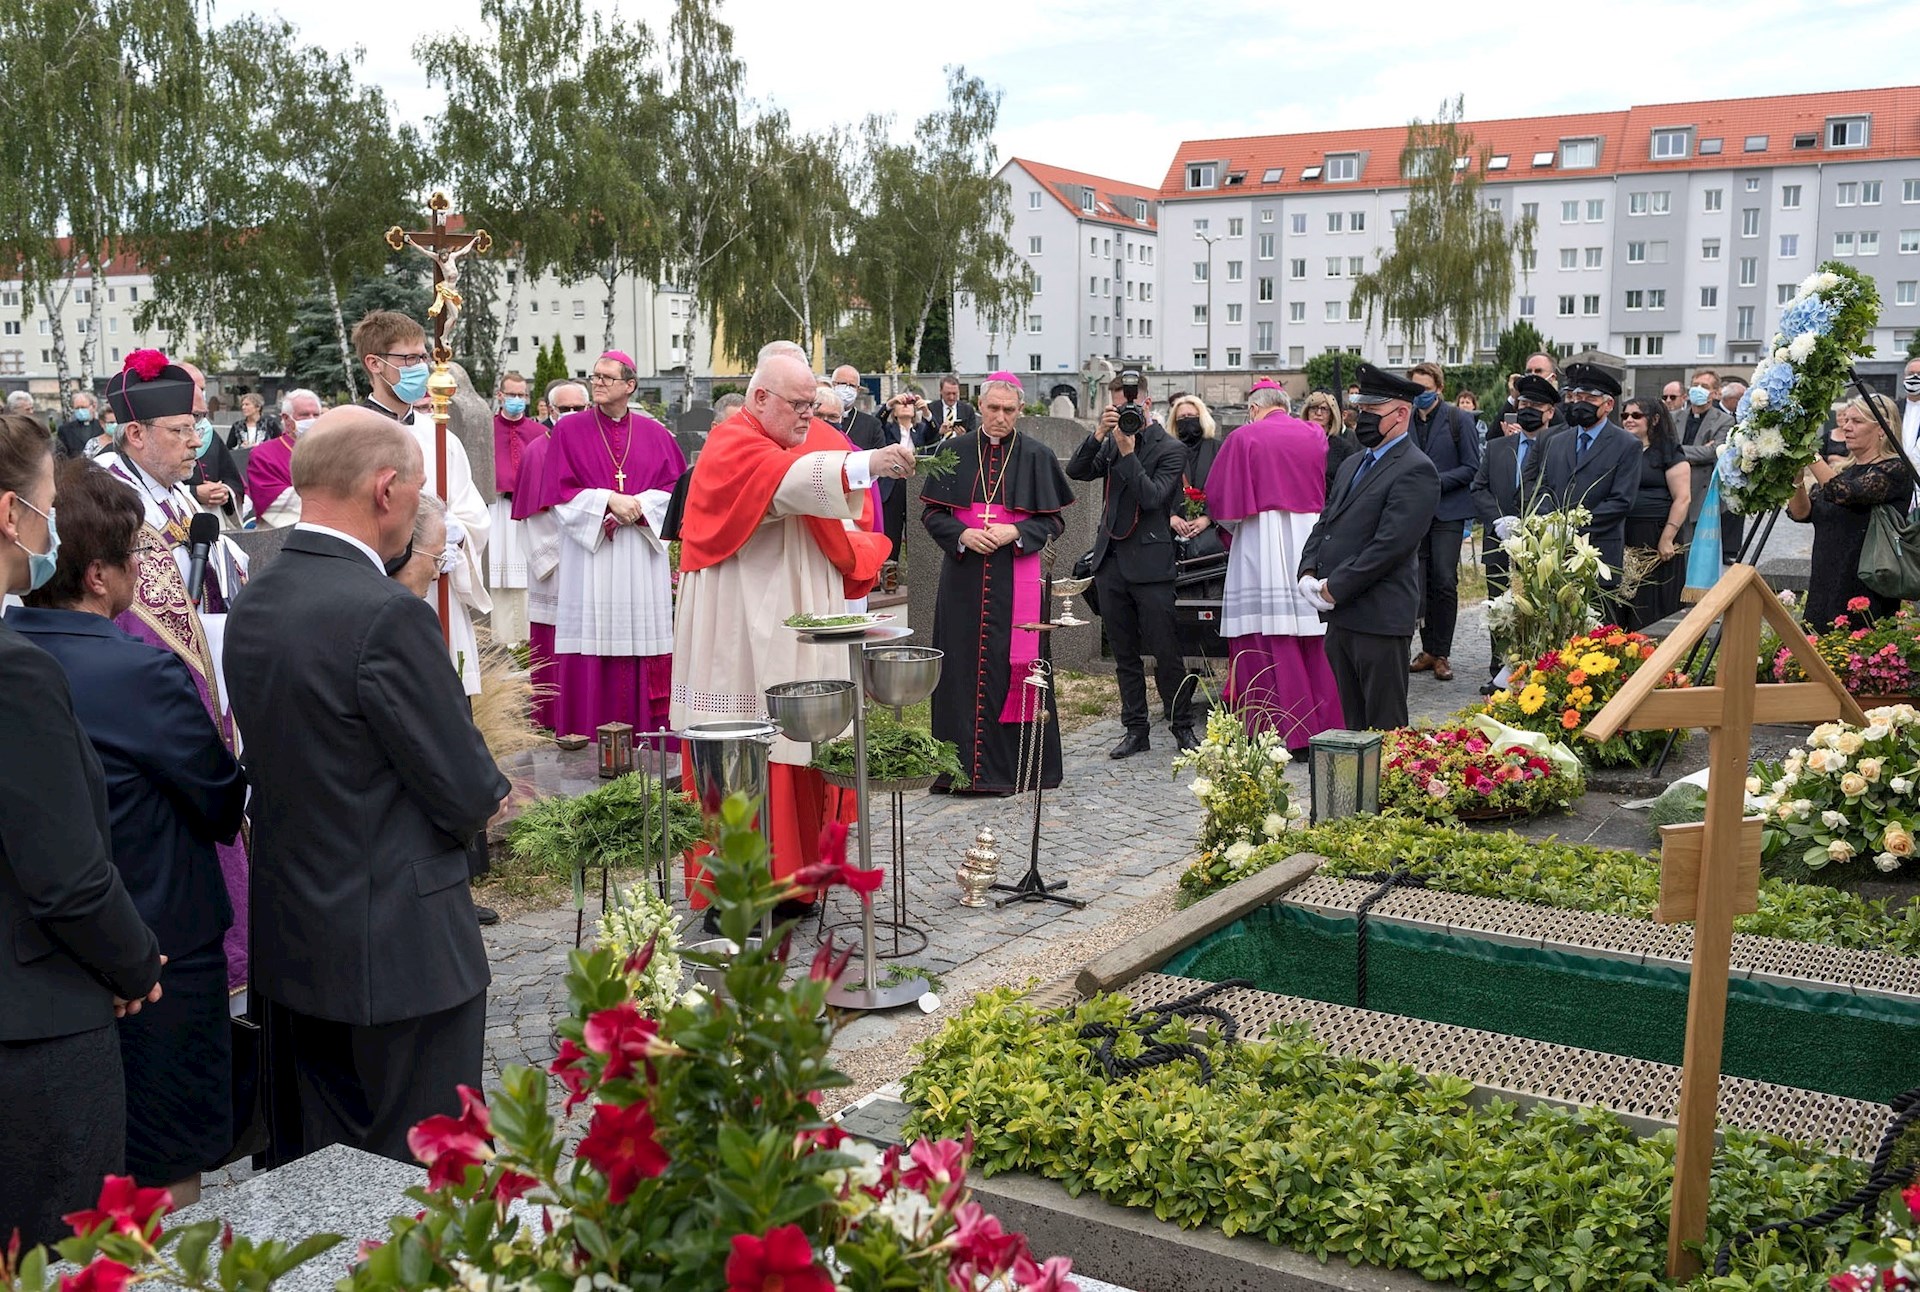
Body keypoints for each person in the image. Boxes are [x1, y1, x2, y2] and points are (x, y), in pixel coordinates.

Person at [224, 408, 508, 1167]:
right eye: (417, 490)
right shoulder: (384, 613)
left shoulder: (256, 597)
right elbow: (464, 788)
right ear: (387, 490)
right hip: (401, 948)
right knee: (421, 1168)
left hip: (294, 936)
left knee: (315, 1168)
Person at [8, 460, 246, 1205]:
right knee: (165, 1168)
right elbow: (219, 802)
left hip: (42, 967)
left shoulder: (15, 652)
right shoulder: (137, 673)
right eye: (137, 557)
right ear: (100, 576)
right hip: (157, 951)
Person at [0, 414, 163, 1245]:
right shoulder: (16, 673)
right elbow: (67, 875)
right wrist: (132, 962)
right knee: (64, 1250)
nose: (50, 529)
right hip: (34, 1024)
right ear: (10, 514)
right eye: (44, 504)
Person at [672, 351, 907, 902]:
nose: (809, 415)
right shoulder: (732, 441)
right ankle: (733, 893)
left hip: (791, 607)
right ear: (760, 398)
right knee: (742, 746)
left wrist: (858, 472)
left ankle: (795, 884)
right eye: (799, 404)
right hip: (737, 617)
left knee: (797, 745)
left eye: (812, 404)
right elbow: (785, 481)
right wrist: (867, 465)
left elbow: (838, 503)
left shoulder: (804, 436)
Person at [92, 351, 251, 985]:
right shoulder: (111, 496)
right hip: (152, 695)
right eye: (182, 429)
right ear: (135, 433)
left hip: (208, 679)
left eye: (197, 427)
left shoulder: (175, 488)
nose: (196, 441)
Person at [920, 372, 1074, 792]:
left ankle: (1017, 771)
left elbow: (1054, 521)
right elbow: (932, 514)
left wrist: (1016, 531)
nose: (1000, 417)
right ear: (980, 407)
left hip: (1013, 579)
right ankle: (958, 772)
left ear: (1019, 410)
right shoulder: (952, 452)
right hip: (963, 580)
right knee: (959, 671)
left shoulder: (1037, 455)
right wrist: (962, 534)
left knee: (1016, 668)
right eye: (993, 408)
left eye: (1009, 410)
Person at [535, 350, 685, 738]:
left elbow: (677, 491)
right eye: (595, 376)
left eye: (607, 377)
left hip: (639, 555)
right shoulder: (569, 431)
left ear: (630, 385)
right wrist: (606, 501)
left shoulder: (656, 434)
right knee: (591, 640)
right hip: (591, 557)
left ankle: (648, 738)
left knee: (643, 639)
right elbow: (558, 493)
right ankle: (586, 737)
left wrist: (639, 506)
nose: (597, 383)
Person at [352, 310, 492, 695]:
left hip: (438, 586)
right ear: (374, 364)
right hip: (379, 590)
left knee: (445, 698)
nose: (421, 368)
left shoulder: (440, 434)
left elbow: (472, 510)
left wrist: (455, 534)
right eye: (409, 359)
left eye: (422, 357)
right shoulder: (352, 434)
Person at [1298, 364, 1440, 732]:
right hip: (1342, 617)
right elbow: (1326, 522)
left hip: (1380, 618)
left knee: (1384, 728)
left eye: (1372, 411)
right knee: (1351, 727)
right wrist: (1308, 570)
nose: (1363, 418)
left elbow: (1390, 546)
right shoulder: (1353, 463)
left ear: (1401, 414)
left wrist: (1335, 586)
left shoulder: (1416, 469)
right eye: (1361, 409)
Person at [1208, 378, 1341, 750]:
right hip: (1308, 538)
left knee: (1263, 633)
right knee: (1312, 633)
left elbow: (1221, 502)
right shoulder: (1314, 434)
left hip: (1260, 541)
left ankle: (1275, 730)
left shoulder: (1243, 438)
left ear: (1253, 409)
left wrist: (1232, 531)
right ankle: (1326, 724)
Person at [1068, 370, 1196, 757]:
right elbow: (1077, 471)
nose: (1125, 413)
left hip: (1152, 565)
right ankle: (1135, 729)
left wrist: (1127, 454)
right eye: (1118, 407)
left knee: (1166, 652)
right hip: (1111, 561)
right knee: (1124, 654)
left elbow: (1153, 497)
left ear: (1147, 404)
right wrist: (1098, 435)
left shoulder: (1171, 449)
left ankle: (1182, 726)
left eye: (1131, 406)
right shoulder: (1111, 441)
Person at [1787, 392, 1914, 632]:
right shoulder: (1842, 472)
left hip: (1865, 584)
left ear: (1882, 428)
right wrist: (1796, 479)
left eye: (1856, 421)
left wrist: (1810, 453)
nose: (1846, 427)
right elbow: (1801, 513)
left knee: (1856, 648)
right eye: (1846, 420)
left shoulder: (1895, 469)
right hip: (1825, 580)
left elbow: (1847, 493)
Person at [1470, 373, 1562, 690]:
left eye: (1535, 406)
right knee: (1500, 607)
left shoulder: (1559, 446)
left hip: (1541, 544)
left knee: (1538, 606)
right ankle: (1500, 670)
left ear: (1549, 412)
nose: (1527, 410)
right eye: (1523, 405)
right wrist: (1499, 520)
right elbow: (1479, 487)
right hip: (1500, 541)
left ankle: (1538, 668)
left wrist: (1534, 523)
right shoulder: (1497, 447)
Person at [1402, 362, 1481, 683]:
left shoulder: (1458, 419)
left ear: (1439, 389)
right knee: (1418, 583)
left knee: (1444, 581)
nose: (1420, 394)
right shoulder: (1404, 419)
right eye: (1415, 389)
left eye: (1425, 389)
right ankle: (1427, 649)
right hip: (1414, 513)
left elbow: (1472, 467)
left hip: (1448, 511)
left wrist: (1434, 481)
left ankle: (1442, 652)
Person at [1538, 362, 1639, 578]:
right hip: (1555, 551)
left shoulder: (1626, 444)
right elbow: (1544, 487)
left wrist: (1574, 526)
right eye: (1577, 397)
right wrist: (1550, 522)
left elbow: (1621, 501)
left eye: (1591, 399)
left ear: (1608, 404)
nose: (1581, 404)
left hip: (1599, 551)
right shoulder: (1556, 442)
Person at [518, 382, 580, 731]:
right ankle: (552, 718)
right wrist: (569, 551)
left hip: (593, 561)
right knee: (553, 645)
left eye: (578, 408)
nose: (571, 415)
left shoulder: (591, 448)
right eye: (564, 409)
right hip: (558, 567)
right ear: (550, 411)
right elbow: (533, 517)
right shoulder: (538, 451)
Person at [1618, 397, 1691, 631]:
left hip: (1655, 535)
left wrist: (1667, 537)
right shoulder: (1621, 450)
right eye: (1625, 415)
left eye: (1636, 415)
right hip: (1624, 533)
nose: (1629, 420)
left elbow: (1682, 498)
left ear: (1655, 419)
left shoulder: (1669, 453)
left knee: (1651, 600)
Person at [487, 372, 542, 634]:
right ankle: (500, 636)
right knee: (496, 571)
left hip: (530, 512)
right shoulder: (486, 429)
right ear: (500, 395)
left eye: (522, 395)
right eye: (512, 394)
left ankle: (528, 638)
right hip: (496, 510)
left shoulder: (539, 432)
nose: (517, 400)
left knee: (529, 572)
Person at [179, 361, 247, 529]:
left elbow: (232, 478)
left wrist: (225, 492)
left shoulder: (208, 432)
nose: (197, 442)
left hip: (214, 518)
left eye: (202, 389)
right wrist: (193, 492)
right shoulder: (161, 433)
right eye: (194, 388)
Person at [246, 389, 322, 527]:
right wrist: (331, 500)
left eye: (316, 415)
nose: (312, 420)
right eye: (304, 415)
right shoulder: (263, 454)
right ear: (286, 419)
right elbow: (270, 498)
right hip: (284, 534)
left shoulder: (332, 450)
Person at [1675, 369, 1733, 541]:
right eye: (1695, 385)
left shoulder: (1724, 420)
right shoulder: (1674, 417)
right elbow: (1664, 448)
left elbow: (1712, 452)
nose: (1698, 389)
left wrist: (1677, 452)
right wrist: (1696, 453)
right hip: (1673, 489)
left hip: (1701, 493)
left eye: (1704, 386)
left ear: (1715, 393)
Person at [1167, 393, 1222, 553]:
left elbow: (1227, 488)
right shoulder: (1166, 451)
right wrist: (1170, 516)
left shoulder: (1218, 449)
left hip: (1209, 535)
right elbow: (1156, 487)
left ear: (1201, 417)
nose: (1186, 420)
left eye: (1191, 416)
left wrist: (1208, 517)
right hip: (1172, 531)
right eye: (1181, 417)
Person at [1299, 390, 1357, 495]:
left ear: (1331, 415)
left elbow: (1348, 485)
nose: (1318, 413)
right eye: (1314, 408)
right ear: (1306, 412)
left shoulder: (1343, 448)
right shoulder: (1296, 443)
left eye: (1324, 409)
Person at [55, 390, 108, 460]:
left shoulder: (103, 426)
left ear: (94, 406)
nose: (80, 411)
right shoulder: (65, 430)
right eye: (77, 408)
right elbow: (61, 455)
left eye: (83, 407)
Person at [1899, 356, 1920, 466]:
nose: (1915, 377)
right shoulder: (1894, 408)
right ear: (1904, 378)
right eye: (1911, 374)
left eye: (1919, 374)